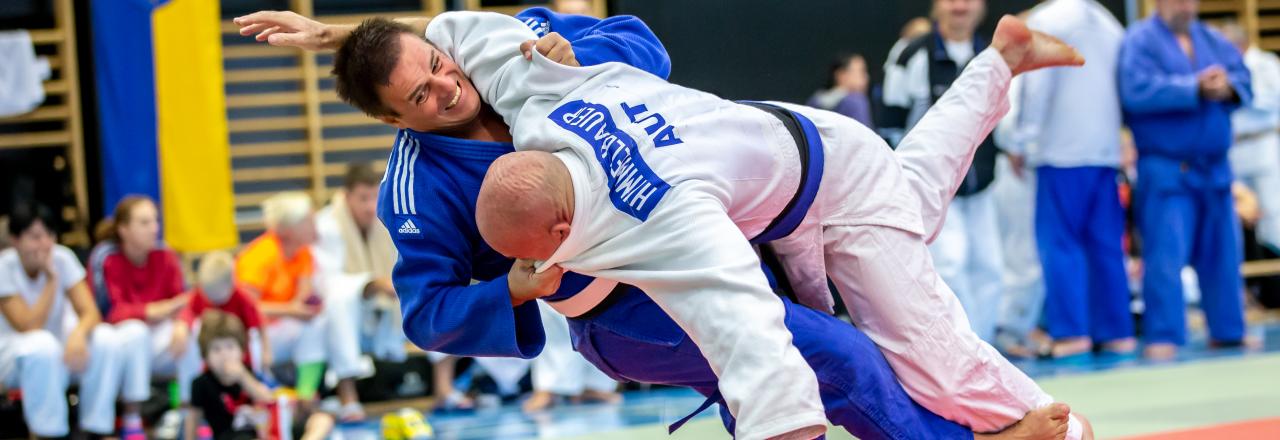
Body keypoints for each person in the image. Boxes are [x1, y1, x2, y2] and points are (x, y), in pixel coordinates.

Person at [237, 8, 1082, 439]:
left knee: (884, 236)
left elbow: (643, 45)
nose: (445, 89)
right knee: (832, 349)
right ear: (394, 122)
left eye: (437, 68)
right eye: (419, 96)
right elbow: (424, 313)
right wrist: (512, 289)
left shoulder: (518, 57)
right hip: (620, 310)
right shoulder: (415, 191)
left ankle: (996, 67)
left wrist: (584, 54)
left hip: (710, 202)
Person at [1000, 0, 1136, 360]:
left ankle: (1072, 332)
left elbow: (1036, 84)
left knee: (1060, 245)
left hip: (1060, 151)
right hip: (1103, 151)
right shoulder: (1110, 25)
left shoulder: (1048, 19)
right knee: (1107, 245)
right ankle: (1117, 331)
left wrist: (1021, 141)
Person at [1119, 0, 1252, 360]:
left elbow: (1244, 79)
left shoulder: (1211, 38)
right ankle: (1164, 334)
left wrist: (1227, 86)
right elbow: (1135, 91)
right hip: (1166, 169)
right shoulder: (1140, 41)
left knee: (1223, 255)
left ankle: (1228, 330)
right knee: (1165, 257)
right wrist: (1192, 87)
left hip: (1215, 169)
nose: (1185, 4)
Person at [883, 0, 1005, 343]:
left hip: (982, 181)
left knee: (990, 266)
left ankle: (987, 349)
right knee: (949, 267)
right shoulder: (911, 56)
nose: (960, 6)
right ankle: (962, 352)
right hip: (930, 186)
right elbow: (889, 123)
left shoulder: (992, 54)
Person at [0, 203, 142, 438]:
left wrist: (77, 335)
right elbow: (28, 326)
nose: (45, 244)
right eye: (35, 237)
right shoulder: (4, 267)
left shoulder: (62, 257)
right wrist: (52, 281)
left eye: (49, 235)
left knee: (105, 338)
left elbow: (91, 312)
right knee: (41, 345)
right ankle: (49, 432)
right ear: (15, 240)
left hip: (59, 351)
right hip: (15, 356)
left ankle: (97, 427)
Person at [236, 192, 366, 420]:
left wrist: (307, 306)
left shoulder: (303, 252)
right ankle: (261, 402)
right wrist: (292, 310)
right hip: (253, 335)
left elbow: (303, 294)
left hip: (281, 329)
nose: (315, 225)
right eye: (308, 221)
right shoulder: (260, 256)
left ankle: (306, 396)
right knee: (310, 324)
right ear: (287, 230)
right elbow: (244, 308)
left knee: (318, 323)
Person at [99, 195, 206, 410]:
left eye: (155, 221)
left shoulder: (166, 256)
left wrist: (182, 323)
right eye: (144, 223)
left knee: (193, 331)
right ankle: (134, 416)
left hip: (159, 337)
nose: (154, 228)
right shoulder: (108, 260)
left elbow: (184, 301)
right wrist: (151, 311)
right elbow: (113, 311)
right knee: (136, 332)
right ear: (123, 229)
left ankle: (189, 412)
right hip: (123, 341)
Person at [187, 309, 334, 440]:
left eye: (230, 347)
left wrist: (242, 376)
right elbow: (193, 420)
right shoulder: (201, 383)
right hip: (233, 435)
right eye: (216, 349)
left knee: (322, 420)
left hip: (268, 431)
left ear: (242, 351)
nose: (224, 355)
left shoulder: (248, 372)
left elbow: (267, 398)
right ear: (205, 355)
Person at [313, 163, 406, 364]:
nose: (370, 207)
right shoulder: (325, 226)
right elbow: (327, 285)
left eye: (375, 197)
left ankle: (445, 386)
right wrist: (372, 284)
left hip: (385, 308)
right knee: (338, 302)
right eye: (363, 198)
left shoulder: (386, 219)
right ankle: (348, 390)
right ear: (347, 196)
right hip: (346, 312)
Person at [1219, 21, 1280, 254]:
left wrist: (1236, 92)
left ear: (1239, 44)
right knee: (1234, 216)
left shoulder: (1266, 64)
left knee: (1273, 218)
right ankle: (1247, 282)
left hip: (1262, 145)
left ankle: (1275, 281)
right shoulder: (1224, 69)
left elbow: (1272, 100)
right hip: (1233, 148)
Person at [807, 54, 874, 128]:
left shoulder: (814, 100)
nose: (866, 77)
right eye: (861, 72)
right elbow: (864, 137)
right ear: (841, 75)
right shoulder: (856, 101)